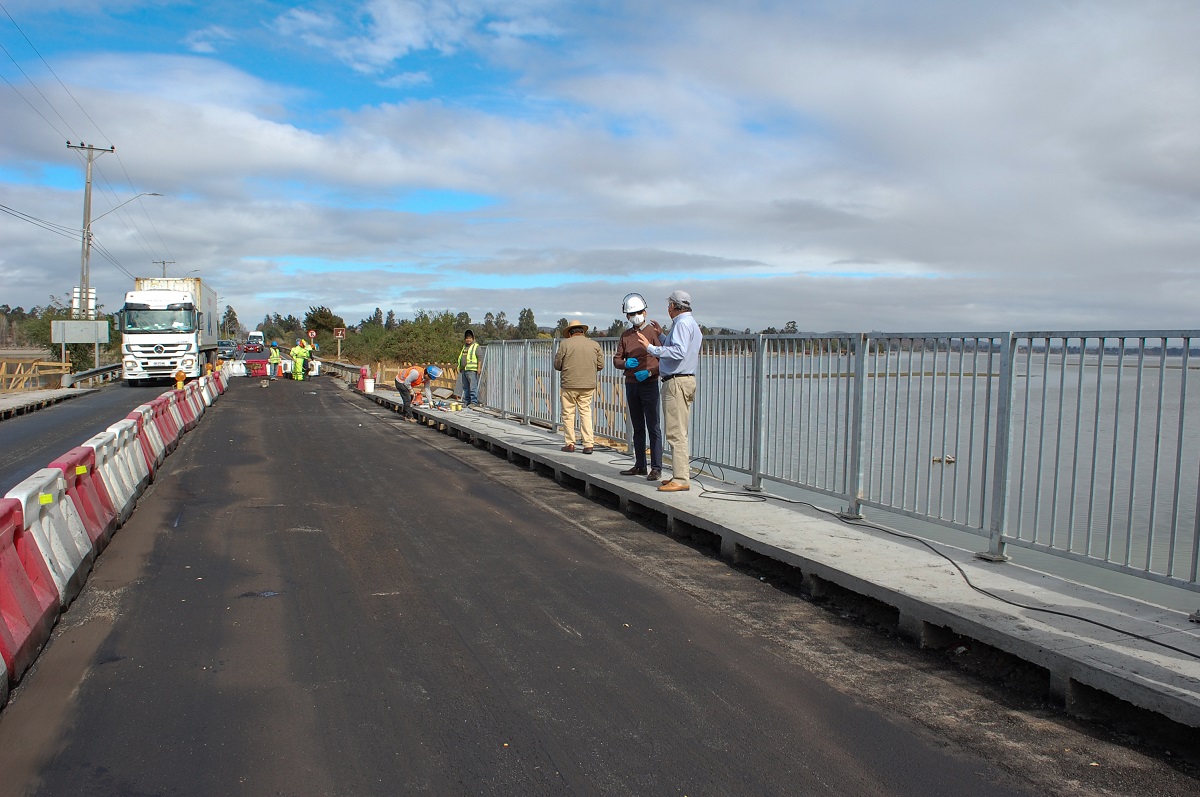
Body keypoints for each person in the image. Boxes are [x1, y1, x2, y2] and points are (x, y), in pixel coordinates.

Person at [637, 290, 702, 492]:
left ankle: (681, 478)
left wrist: (651, 348)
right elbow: (681, 348)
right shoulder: (692, 324)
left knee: (675, 432)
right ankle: (679, 474)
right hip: (687, 380)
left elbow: (678, 351)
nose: (668, 309)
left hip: (676, 382)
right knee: (679, 430)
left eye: (669, 305)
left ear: (674, 306)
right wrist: (661, 336)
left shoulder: (682, 324)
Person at [613, 293, 665, 481]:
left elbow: (664, 360)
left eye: (638, 312)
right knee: (637, 426)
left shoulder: (652, 332)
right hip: (631, 384)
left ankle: (656, 468)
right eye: (631, 313)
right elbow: (617, 360)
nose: (635, 316)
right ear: (627, 316)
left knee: (653, 426)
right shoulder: (626, 335)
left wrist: (650, 372)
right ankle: (640, 465)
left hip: (649, 384)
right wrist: (626, 364)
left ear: (645, 311)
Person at [553, 318, 604, 454]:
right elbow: (601, 365)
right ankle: (588, 444)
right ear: (582, 332)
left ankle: (570, 443)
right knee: (586, 413)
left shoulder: (565, 344)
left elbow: (557, 365)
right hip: (588, 385)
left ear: (570, 333)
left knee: (568, 414)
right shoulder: (594, 345)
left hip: (569, 384)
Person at [458, 329, 481, 406]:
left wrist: (479, 368)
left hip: (472, 369)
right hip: (464, 369)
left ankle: (473, 402)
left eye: (470, 338)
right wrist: (459, 366)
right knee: (465, 387)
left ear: (473, 338)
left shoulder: (476, 346)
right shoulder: (464, 347)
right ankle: (467, 401)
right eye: (467, 338)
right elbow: (461, 357)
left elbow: (479, 358)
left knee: (473, 386)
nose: (468, 340)